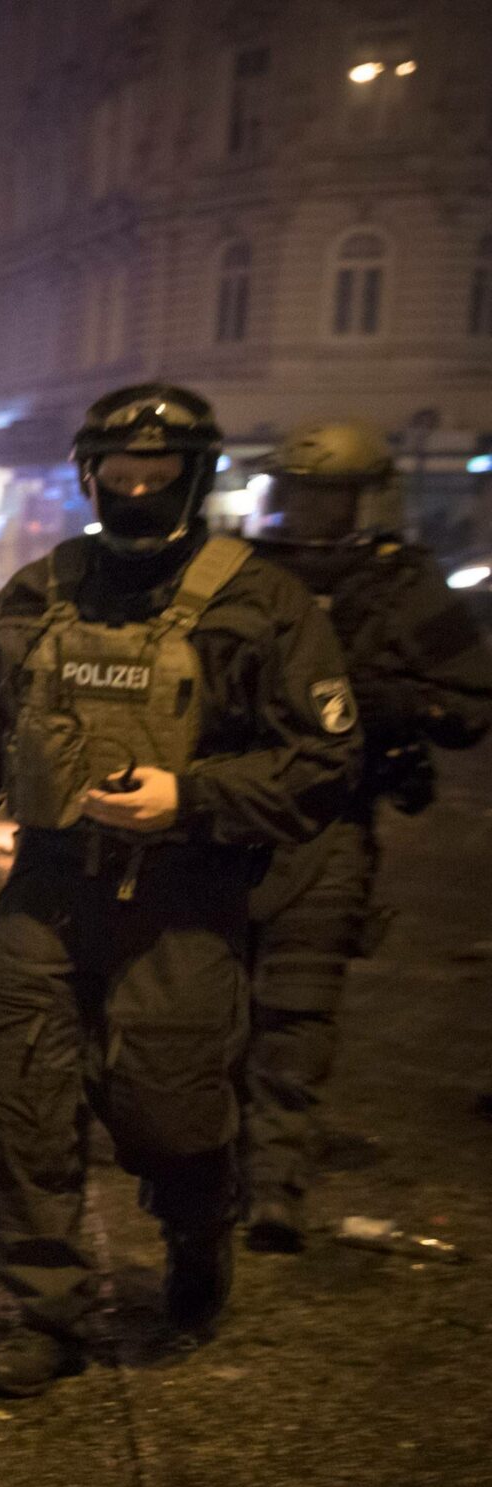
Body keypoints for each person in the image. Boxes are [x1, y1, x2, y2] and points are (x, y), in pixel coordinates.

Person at [0, 384, 360, 1400]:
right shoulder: (37, 592)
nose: (138, 490)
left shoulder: (260, 601)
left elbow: (326, 757)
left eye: (160, 475)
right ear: (87, 477)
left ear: (198, 478)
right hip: (48, 891)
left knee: (169, 1114)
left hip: (184, 899)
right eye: (119, 474)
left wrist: (193, 797)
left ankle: (198, 1234)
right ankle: (47, 1312)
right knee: (20, 1099)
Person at [236, 419, 492, 1249]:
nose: (309, 510)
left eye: (326, 495)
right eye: (298, 492)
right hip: (222, 820)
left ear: (360, 499)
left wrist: (394, 704)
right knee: (206, 1007)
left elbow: (468, 703)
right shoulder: (232, 573)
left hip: (329, 825)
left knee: (298, 1009)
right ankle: (201, 1167)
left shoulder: (402, 584)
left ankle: (274, 1182)